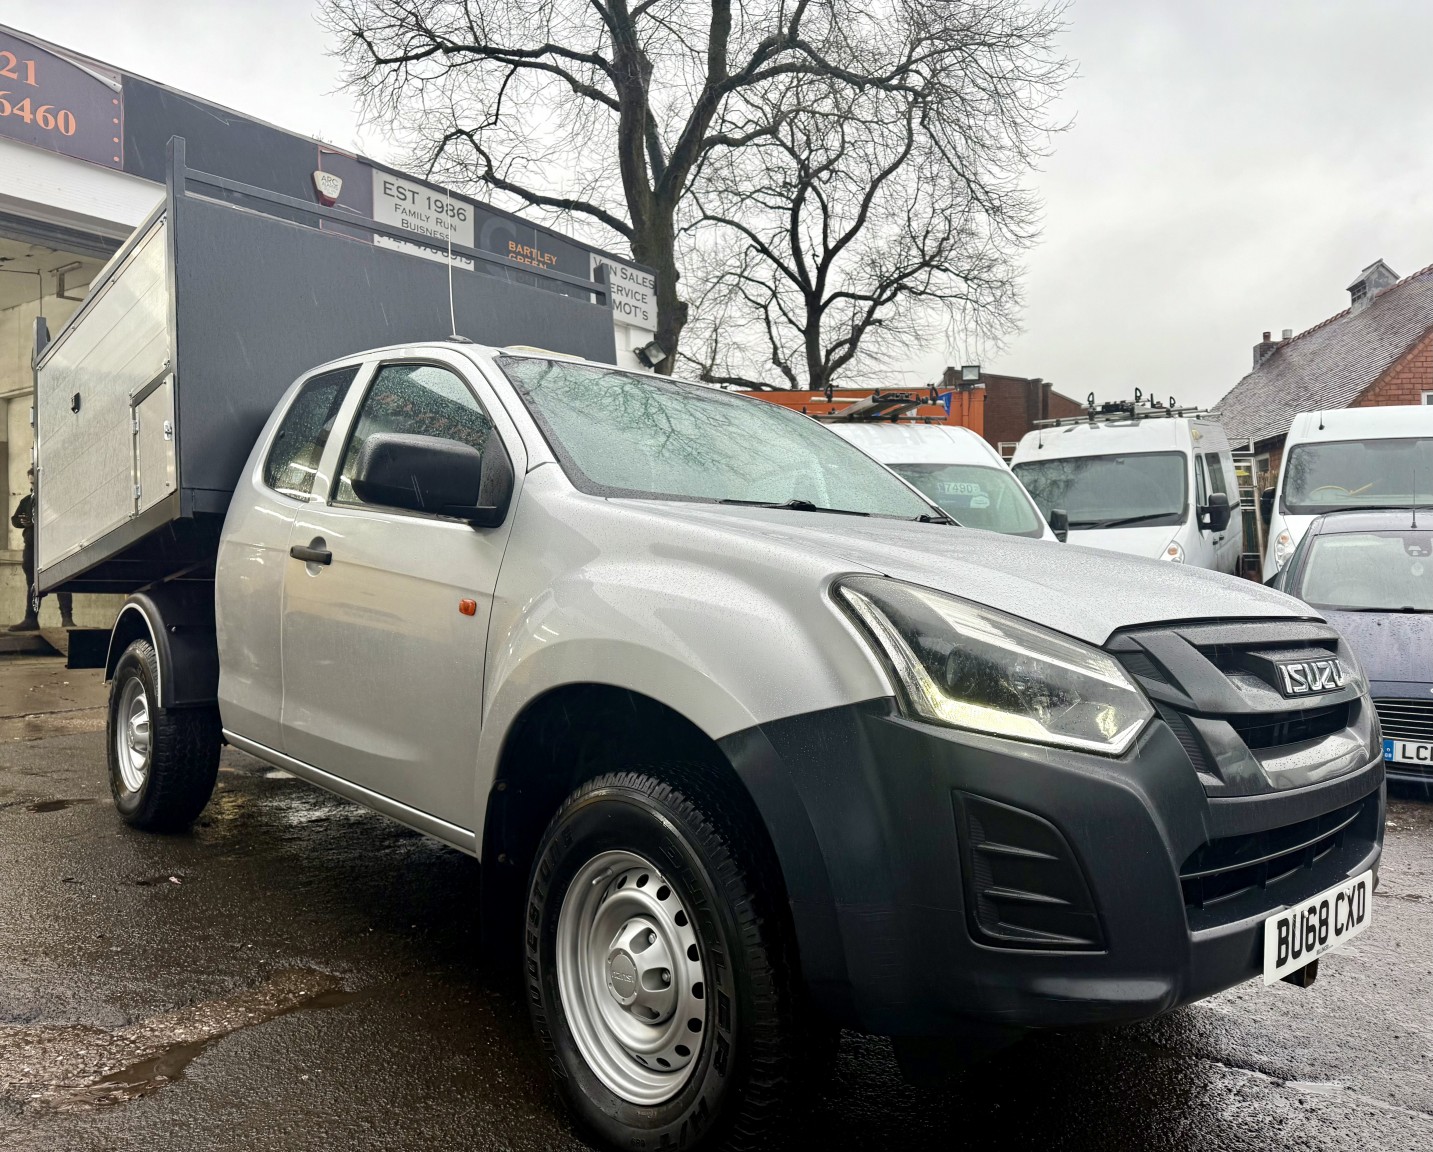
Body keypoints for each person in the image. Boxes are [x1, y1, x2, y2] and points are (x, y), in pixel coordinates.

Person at [10, 468, 73, 632]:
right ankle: (31, 619)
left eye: (34, 482)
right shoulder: (26, 501)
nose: (32, 486)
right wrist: (23, 522)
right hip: (32, 547)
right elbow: (14, 520)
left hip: (53, 544)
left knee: (62, 579)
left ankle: (67, 619)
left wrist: (36, 521)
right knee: (32, 582)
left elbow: (60, 518)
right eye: (30, 483)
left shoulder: (53, 499)